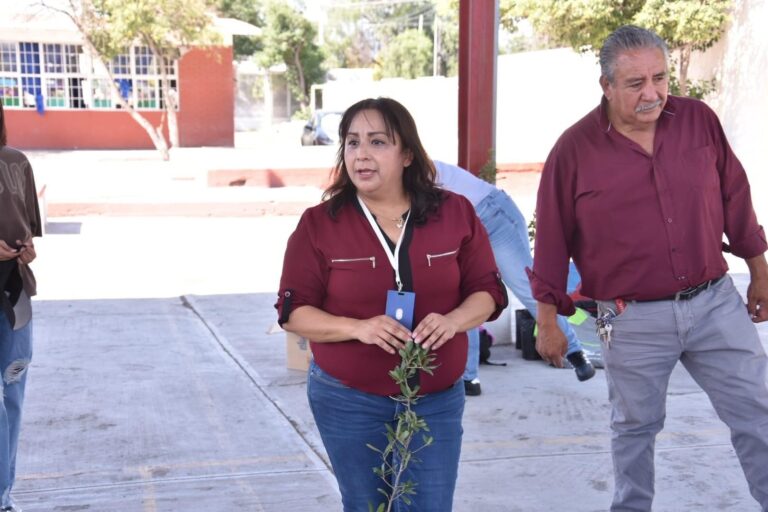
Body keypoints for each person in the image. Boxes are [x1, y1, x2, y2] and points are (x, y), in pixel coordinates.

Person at [529, 25, 768, 511]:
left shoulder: (698, 120)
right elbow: (551, 241)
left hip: (715, 302)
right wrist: (548, 321)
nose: (652, 93)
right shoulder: (573, 150)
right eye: (636, 83)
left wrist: (760, 272)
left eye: (659, 78)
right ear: (606, 86)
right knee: (633, 431)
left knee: (759, 415)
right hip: (628, 317)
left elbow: (735, 197)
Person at [275, 97, 507, 511]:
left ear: (407, 155)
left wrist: (454, 320)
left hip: (434, 400)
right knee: (366, 505)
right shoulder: (319, 224)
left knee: (430, 505)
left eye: (378, 142)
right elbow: (294, 312)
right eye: (351, 142)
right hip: (348, 400)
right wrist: (357, 327)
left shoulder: (454, 213)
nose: (361, 154)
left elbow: (489, 292)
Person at [433, 160, 596, 396]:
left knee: (527, 287)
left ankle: (575, 352)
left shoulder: (413, 166)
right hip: (459, 228)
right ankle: (468, 379)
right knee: (461, 299)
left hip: (490, 214)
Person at [0, 99, 42, 512]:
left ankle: (4, 494)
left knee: (12, 396)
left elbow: (29, 233)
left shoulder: (16, 163)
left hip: (14, 300)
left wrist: (26, 251)